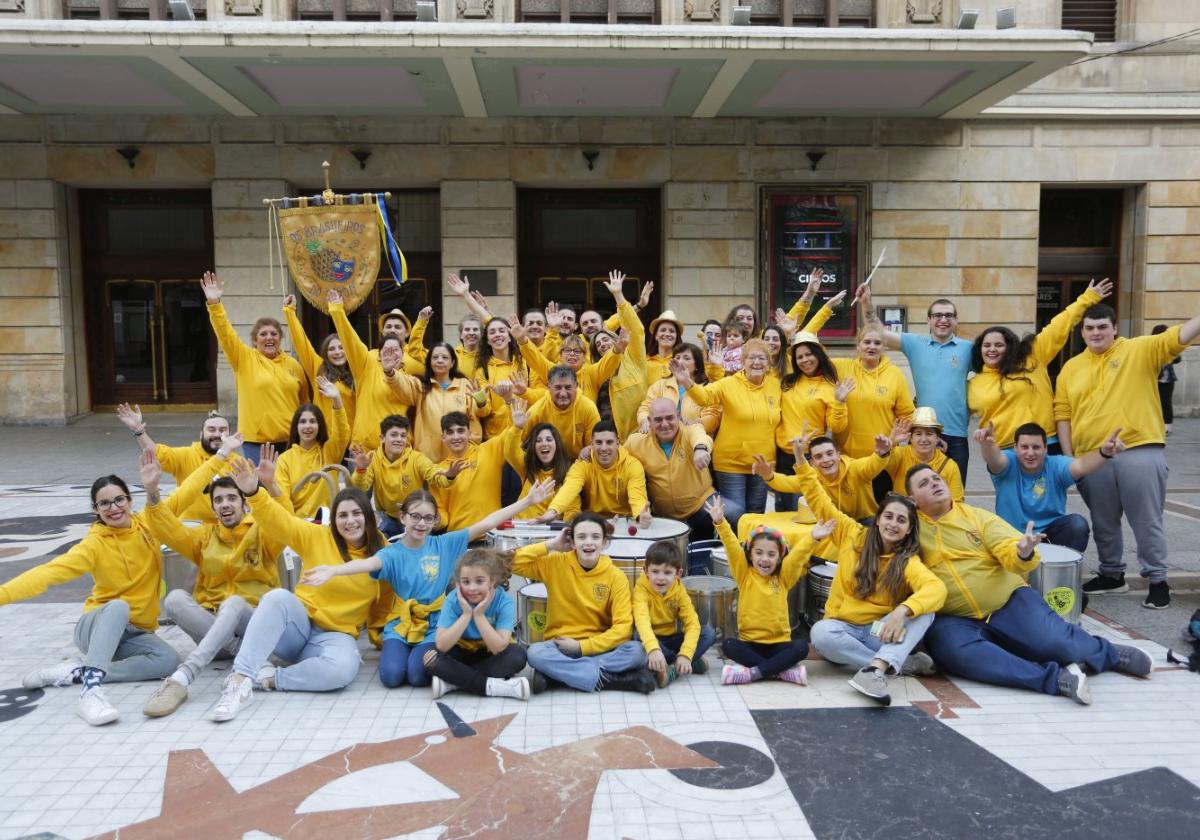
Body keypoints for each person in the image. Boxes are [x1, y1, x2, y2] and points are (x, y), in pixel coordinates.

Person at [905, 464, 1154, 705]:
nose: (934, 483)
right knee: (956, 655)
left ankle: (1108, 653)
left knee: (1056, 644)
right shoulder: (910, 530)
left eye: (936, 478)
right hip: (954, 617)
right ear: (913, 499)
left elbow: (1009, 547)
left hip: (1009, 602)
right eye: (924, 483)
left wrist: (1023, 552)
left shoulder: (977, 517)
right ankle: (1056, 679)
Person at [302, 484, 552, 690]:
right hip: (400, 624)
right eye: (415, 516)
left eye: (428, 518)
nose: (421, 523)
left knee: (418, 676)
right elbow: (368, 563)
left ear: (435, 521)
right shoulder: (392, 552)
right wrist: (334, 569)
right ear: (402, 518)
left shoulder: (444, 544)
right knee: (391, 677)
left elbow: (487, 523)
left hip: (434, 625)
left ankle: (459, 679)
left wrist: (527, 502)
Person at [207, 465, 393, 721]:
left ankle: (269, 679)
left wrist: (380, 639)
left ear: (368, 517)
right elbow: (279, 521)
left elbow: (384, 601)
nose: (350, 521)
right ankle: (240, 680)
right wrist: (253, 491)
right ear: (334, 520)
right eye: (342, 515)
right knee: (277, 597)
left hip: (336, 636)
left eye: (357, 514)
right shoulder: (317, 536)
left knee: (343, 670)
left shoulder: (382, 552)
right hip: (298, 627)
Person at [8, 470, 189, 725]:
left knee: (168, 660)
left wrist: (221, 456)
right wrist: (4, 594)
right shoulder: (93, 545)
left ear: (129, 500)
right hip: (96, 627)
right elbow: (48, 573)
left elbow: (187, 492)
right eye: (104, 503)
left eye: (119, 500)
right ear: (95, 509)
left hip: (135, 632)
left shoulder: (148, 523)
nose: (113, 508)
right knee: (118, 606)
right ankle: (90, 693)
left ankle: (78, 671)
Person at [1055, 303, 1200, 609]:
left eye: (1102, 327)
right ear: (1082, 332)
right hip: (1093, 456)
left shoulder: (1140, 349)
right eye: (1090, 328)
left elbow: (1179, 336)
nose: (1096, 333)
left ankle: (1158, 580)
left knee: (1146, 520)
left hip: (1139, 450)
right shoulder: (1070, 367)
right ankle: (1111, 574)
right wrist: (1070, 460)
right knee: (1103, 521)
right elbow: (1063, 414)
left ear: (1114, 328)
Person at [789, 442, 946, 706]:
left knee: (925, 612)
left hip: (879, 632)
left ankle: (876, 668)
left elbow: (936, 589)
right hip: (844, 630)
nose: (893, 524)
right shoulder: (852, 534)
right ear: (878, 518)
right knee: (820, 632)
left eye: (901, 520)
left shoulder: (907, 561)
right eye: (889, 517)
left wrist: (901, 612)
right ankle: (891, 665)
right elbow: (818, 499)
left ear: (908, 529)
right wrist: (799, 459)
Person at [138, 438, 284, 718]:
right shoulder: (204, 537)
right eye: (218, 500)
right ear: (213, 508)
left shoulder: (262, 532)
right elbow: (166, 528)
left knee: (234, 604)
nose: (225, 504)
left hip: (254, 623)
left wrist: (270, 487)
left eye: (231, 498)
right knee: (176, 599)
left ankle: (183, 677)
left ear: (245, 504)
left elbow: (284, 521)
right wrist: (152, 492)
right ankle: (245, 654)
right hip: (215, 634)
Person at [512, 513, 654, 694]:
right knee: (535, 653)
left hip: (600, 647)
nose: (588, 542)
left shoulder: (616, 577)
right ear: (572, 543)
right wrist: (550, 545)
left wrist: (581, 647)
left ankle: (557, 677)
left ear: (604, 543)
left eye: (595, 537)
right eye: (581, 537)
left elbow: (623, 628)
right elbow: (512, 563)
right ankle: (614, 680)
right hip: (561, 646)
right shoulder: (556, 563)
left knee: (638, 651)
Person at [968, 279, 1111, 452]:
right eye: (987, 345)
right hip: (1005, 451)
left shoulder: (1031, 356)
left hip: (1045, 443)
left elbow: (1059, 326)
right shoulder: (974, 383)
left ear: (1010, 347)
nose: (992, 349)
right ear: (979, 349)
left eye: (999, 345)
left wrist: (1087, 298)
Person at [859, 286, 972, 481]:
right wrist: (866, 303)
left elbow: (992, 372)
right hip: (921, 433)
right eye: (937, 315)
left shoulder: (969, 349)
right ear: (928, 320)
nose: (943, 320)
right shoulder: (914, 344)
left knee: (953, 496)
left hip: (956, 436)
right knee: (916, 493)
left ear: (956, 320)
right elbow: (879, 333)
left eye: (948, 315)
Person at [201, 270, 308, 464]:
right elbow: (225, 334)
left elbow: (304, 404)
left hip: (292, 440)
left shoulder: (293, 365)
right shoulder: (244, 359)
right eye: (263, 334)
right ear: (254, 341)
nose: (269, 338)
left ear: (281, 339)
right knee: (261, 489)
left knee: (289, 489)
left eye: (274, 334)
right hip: (256, 441)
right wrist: (215, 305)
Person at [675, 338, 782, 530]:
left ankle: (752, 557)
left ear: (768, 363)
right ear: (743, 362)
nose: (757, 362)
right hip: (731, 464)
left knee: (756, 516)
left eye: (762, 358)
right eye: (751, 358)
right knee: (736, 516)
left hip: (762, 464)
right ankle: (733, 557)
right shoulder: (728, 384)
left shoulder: (775, 385)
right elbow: (705, 397)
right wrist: (687, 382)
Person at [976, 421, 1125, 553]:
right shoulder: (1008, 462)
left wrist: (1104, 453)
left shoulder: (1056, 464)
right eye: (1024, 447)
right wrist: (988, 444)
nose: (1030, 453)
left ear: (1046, 448)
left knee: (1077, 525)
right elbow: (994, 460)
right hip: (1011, 538)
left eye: (1036, 447)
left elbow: (1081, 465)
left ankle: (1061, 576)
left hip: (1048, 537)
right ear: (1015, 448)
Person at [706, 496, 809, 686]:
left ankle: (753, 673)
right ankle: (781, 673)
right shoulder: (744, 574)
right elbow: (731, 546)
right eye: (759, 553)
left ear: (779, 558)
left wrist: (813, 537)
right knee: (729, 646)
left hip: (780, 644)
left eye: (771, 554)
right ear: (750, 554)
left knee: (802, 647)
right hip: (750, 644)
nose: (765, 559)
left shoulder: (783, 577)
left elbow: (797, 557)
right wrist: (720, 522)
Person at [425, 548, 530, 700]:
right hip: (461, 650)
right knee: (431, 658)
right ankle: (496, 687)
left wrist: (479, 615)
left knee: (517, 657)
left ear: (492, 582)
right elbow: (441, 644)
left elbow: (498, 647)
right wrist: (466, 614)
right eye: (466, 582)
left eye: (479, 581)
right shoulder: (453, 599)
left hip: (490, 654)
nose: (472, 588)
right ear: (458, 582)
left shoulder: (504, 601)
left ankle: (455, 682)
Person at [327, 288, 420, 451]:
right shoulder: (368, 359)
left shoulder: (414, 365)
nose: (392, 329)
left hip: (399, 450)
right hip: (364, 450)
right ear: (382, 333)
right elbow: (350, 341)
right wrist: (337, 311)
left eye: (398, 327)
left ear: (406, 337)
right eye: (388, 326)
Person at [115, 404, 235, 521]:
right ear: (201, 434)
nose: (217, 434)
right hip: (191, 526)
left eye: (223, 430)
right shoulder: (186, 455)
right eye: (211, 430)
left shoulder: (239, 462)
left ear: (229, 435)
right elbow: (155, 453)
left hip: (228, 525)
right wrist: (138, 430)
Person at [775, 331, 852, 511]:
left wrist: (840, 402)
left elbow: (836, 426)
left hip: (809, 457)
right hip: (783, 454)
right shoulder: (788, 382)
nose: (804, 360)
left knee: (804, 510)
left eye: (809, 354)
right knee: (784, 511)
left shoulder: (830, 386)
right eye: (799, 357)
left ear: (818, 354)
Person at [624, 398, 717, 541]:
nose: (665, 424)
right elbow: (616, 457)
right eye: (658, 420)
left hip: (700, 506)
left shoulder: (690, 430)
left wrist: (700, 449)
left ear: (678, 416)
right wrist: (590, 451)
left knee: (735, 513)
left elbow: (700, 437)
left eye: (669, 418)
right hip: (663, 515)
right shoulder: (636, 442)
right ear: (649, 420)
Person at [350, 415, 457, 539]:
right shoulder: (372, 458)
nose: (399, 439)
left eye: (403, 435)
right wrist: (361, 469)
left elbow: (435, 475)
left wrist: (449, 476)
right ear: (382, 438)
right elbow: (361, 488)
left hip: (414, 518)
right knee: (371, 531)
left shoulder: (416, 458)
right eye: (394, 435)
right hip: (387, 517)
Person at [753, 431, 892, 523]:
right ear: (812, 462)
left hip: (865, 521)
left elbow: (872, 464)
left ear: (838, 455)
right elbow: (788, 483)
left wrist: (882, 454)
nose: (826, 460)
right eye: (819, 457)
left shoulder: (854, 468)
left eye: (830, 453)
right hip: (833, 525)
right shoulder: (813, 477)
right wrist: (768, 475)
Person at [535, 420, 651, 526]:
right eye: (599, 442)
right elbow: (569, 488)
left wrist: (641, 515)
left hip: (624, 523)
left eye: (609, 442)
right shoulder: (582, 464)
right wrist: (553, 511)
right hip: (592, 523)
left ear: (618, 443)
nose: (604, 448)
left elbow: (637, 498)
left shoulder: (632, 465)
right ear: (592, 444)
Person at [633, 541, 715, 688]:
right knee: (637, 635)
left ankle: (672, 669)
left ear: (678, 574)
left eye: (667, 572)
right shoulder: (641, 590)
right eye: (655, 571)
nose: (660, 578)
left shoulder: (679, 590)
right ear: (646, 571)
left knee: (708, 633)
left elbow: (692, 623)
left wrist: (685, 653)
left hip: (672, 638)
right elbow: (642, 622)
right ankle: (687, 663)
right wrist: (653, 649)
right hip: (652, 639)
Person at [388, 338, 482, 462]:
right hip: (427, 461)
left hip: (459, 460)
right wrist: (390, 373)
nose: (439, 361)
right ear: (430, 362)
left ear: (452, 362)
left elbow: (473, 419)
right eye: (435, 357)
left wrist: (470, 448)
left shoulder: (465, 385)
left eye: (444, 357)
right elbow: (402, 385)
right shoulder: (421, 386)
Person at [272, 379, 351, 518]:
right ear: (296, 427)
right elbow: (283, 498)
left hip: (328, 523)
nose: (307, 426)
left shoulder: (329, 452)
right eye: (303, 422)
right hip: (299, 524)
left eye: (312, 421)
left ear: (319, 426)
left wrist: (337, 400)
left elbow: (342, 434)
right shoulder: (284, 459)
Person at [283, 294, 357, 433]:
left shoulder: (357, 372)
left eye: (341, 348)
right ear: (325, 353)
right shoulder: (319, 368)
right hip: (325, 438)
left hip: (351, 441)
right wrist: (290, 311)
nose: (337, 352)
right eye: (331, 349)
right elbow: (301, 343)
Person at [430, 411, 514, 532]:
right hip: (459, 539)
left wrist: (509, 401)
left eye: (460, 431)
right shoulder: (438, 471)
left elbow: (511, 432)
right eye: (450, 432)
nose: (456, 437)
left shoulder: (489, 451)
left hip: (491, 535)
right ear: (443, 437)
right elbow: (440, 510)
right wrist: (436, 521)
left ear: (469, 433)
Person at [506, 399, 580, 521]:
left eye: (549, 440)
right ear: (534, 447)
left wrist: (569, 524)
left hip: (548, 535)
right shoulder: (527, 466)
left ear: (557, 445)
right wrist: (517, 428)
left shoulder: (569, 474)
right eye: (538, 441)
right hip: (520, 531)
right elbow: (510, 452)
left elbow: (572, 510)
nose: (544, 444)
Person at [519, 365, 601, 460]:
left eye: (568, 387)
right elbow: (521, 447)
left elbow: (597, 443)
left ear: (576, 386)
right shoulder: (536, 411)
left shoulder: (588, 408)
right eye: (558, 387)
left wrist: (589, 448)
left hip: (579, 463)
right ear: (549, 387)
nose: (563, 394)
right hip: (547, 465)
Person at [636, 343, 721, 435]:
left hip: (692, 439)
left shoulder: (707, 388)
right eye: (677, 358)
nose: (680, 362)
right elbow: (645, 407)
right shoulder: (659, 385)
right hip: (661, 438)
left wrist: (698, 422)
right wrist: (644, 420)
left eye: (686, 358)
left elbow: (712, 417)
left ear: (697, 365)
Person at [884, 408, 964, 502]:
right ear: (911, 437)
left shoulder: (950, 466)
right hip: (903, 514)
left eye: (929, 434)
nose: (923, 439)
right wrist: (891, 442)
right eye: (918, 434)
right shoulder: (900, 455)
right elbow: (880, 464)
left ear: (937, 438)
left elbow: (957, 503)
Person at [1153, 324, 1179, 436]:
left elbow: (1178, 359)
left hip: (1167, 380)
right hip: (1153, 379)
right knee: (1154, 403)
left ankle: (1167, 426)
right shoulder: (1151, 345)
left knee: (1166, 402)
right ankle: (1155, 425)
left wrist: (1169, 352)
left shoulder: (1169, 346)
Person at [646, 309, 684, 384]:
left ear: (677, 337)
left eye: (672, 331)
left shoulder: (682, 362)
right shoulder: (645, 363)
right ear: (656, 336)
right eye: (663, 330)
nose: (667, 334)